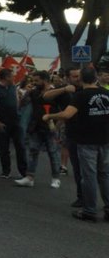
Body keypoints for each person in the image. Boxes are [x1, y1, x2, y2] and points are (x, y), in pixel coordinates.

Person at [43, 67, 109, 222]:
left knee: (89, 176)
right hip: (105, 139)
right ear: (96, 78)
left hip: (86, 141)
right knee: (104, 175)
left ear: (81, 79)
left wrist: (49, 116)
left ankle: (89, 210)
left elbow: (67, 114)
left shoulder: (81, 95)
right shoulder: (106, 93)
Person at [15, 71, 61, 188]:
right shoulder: (34, 92)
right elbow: (21, 105)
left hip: (50, 126)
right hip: (36, 126)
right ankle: (30, 177)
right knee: (33, 151)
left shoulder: (56, 92)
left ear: (45, 80)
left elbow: (63, 110)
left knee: (53, 152)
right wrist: (25, 94)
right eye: (33, 81)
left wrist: (57, 125)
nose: (34, 83)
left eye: (36, 81)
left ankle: (56, 178)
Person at [44, 68, 83, 206]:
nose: (78, 78)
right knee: (78, 166)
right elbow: (46, 96)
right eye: (74, 76)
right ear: (67, 78)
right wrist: (64, 90)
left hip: (89, 133)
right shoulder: (64, 89)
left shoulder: (87, 89)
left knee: (94, 170)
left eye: (79, 76)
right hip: (71, 130)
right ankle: (82, 197)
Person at [0, 69, 27, 179]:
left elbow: (17, 102)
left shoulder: (13, 87)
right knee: (4, 147)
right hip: (3, 122)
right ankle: (6, 171)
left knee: (20, 146)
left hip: (16, 121)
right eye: (12, 76)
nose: (14, 78)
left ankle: (23, 171)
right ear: (6, 77)